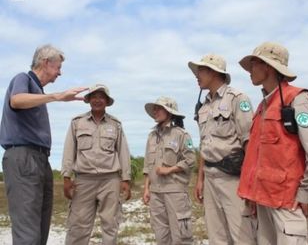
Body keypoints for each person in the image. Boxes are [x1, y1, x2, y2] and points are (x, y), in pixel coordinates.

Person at [237, 42, 308, 245]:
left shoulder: (298, 100)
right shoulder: (262, 107)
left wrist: (306, 191)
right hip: (262, 201)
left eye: (253, 64)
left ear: (268, 67)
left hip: (286, 202)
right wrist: (252, 193)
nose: (249, 71)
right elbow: (258, 156)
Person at [0, 44, 87, 245]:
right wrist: (57, 96)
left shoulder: (38, 91)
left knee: (40, 227)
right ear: (45, 63)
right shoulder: (23, 79)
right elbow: (17, 100)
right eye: (58, 67)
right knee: (27, 231)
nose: (60, 73)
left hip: (41, 159)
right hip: (23, 156)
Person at [188, 54, 257, 244]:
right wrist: (200, 179)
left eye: (200, 70)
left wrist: (251, 183)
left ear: (213, 72)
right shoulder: (203, 107)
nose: (197, 75)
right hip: (210, 178)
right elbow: (205, 145)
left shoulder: (237, 99)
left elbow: (249, 142)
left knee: (241, 235)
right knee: (216, 236)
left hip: (233, 178)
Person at [61, 84, 131, 245]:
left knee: (110, 224)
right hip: (83, 181)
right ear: (88, 100)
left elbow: (123, 152)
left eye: (101, 97)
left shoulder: (115, 125)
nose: (97, 100)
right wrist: (66, 177)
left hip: (110, 181)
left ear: (107, 101)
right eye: (94, 96)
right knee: (78, 225)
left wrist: (126, 179)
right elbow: (69, 150)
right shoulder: (77, 123)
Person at [142, 96, 196, 245]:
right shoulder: (151, 136)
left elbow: (191, 160)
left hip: (175, 192)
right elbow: (148, 165)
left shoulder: (181, 134)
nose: (155, 111)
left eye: (159, 108)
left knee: (180, 236)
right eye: (155, 108)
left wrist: (170, 170)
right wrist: (147, 189)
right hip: (156, 192)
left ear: (169, 112)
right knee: (161, 235)